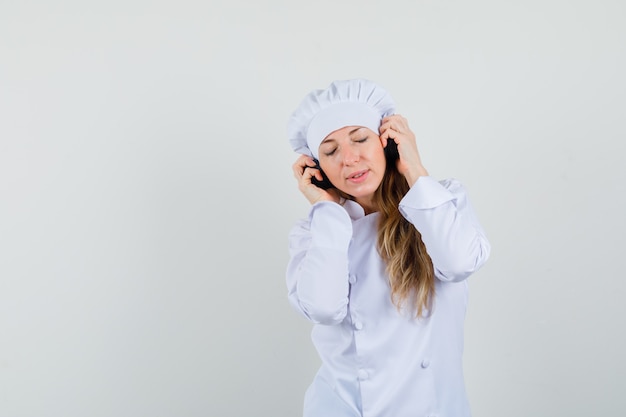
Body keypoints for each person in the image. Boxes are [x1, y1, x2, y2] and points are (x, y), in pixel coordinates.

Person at [286, 79, 491, 417]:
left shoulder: (440, 200)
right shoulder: (316, 231)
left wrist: (415, 170)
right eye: (331, 150)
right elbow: (323, 308)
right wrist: (328, 211)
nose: (349, 159)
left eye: (360, 138)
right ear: (317, 168)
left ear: (387, 142)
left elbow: (459, 263)